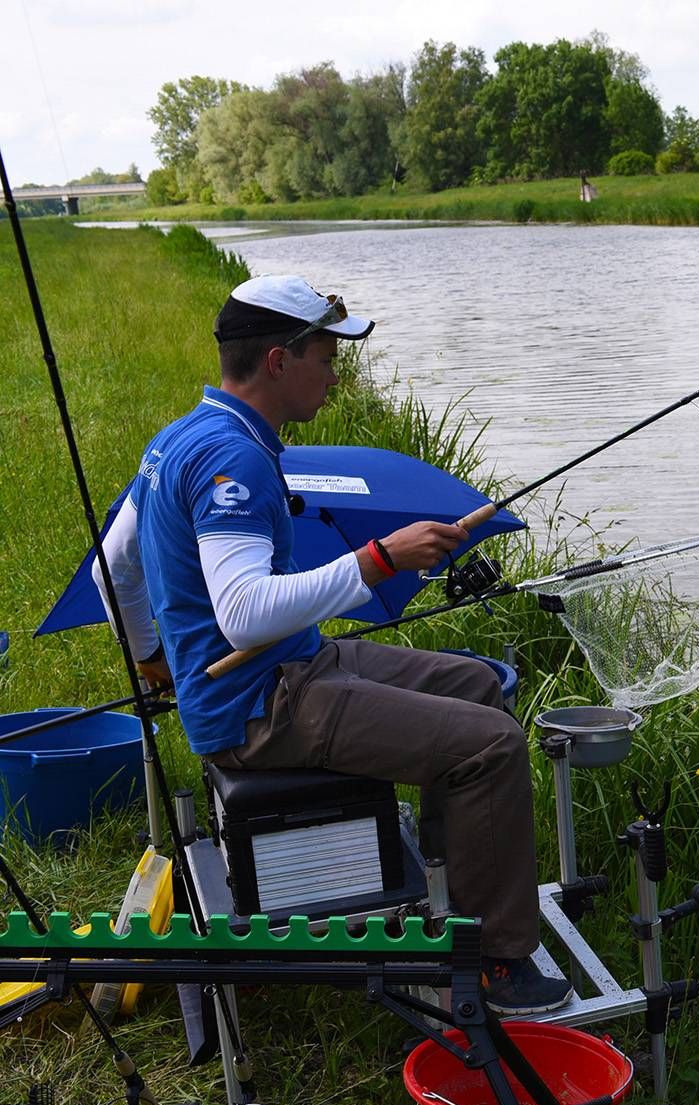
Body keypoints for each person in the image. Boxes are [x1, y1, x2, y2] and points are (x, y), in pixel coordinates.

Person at [94, 274, 571, 1015]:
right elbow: (247, 613)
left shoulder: (179, 438)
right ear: (280, 361)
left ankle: (455, 896)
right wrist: (380, 558)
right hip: (261, 707)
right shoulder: (236, 461)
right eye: (327, 354)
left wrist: (150, 654)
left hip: (291, 665)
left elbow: (110, 566)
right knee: (494, 745)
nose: (336, 372)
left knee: (478, 685)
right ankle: (496, 965)